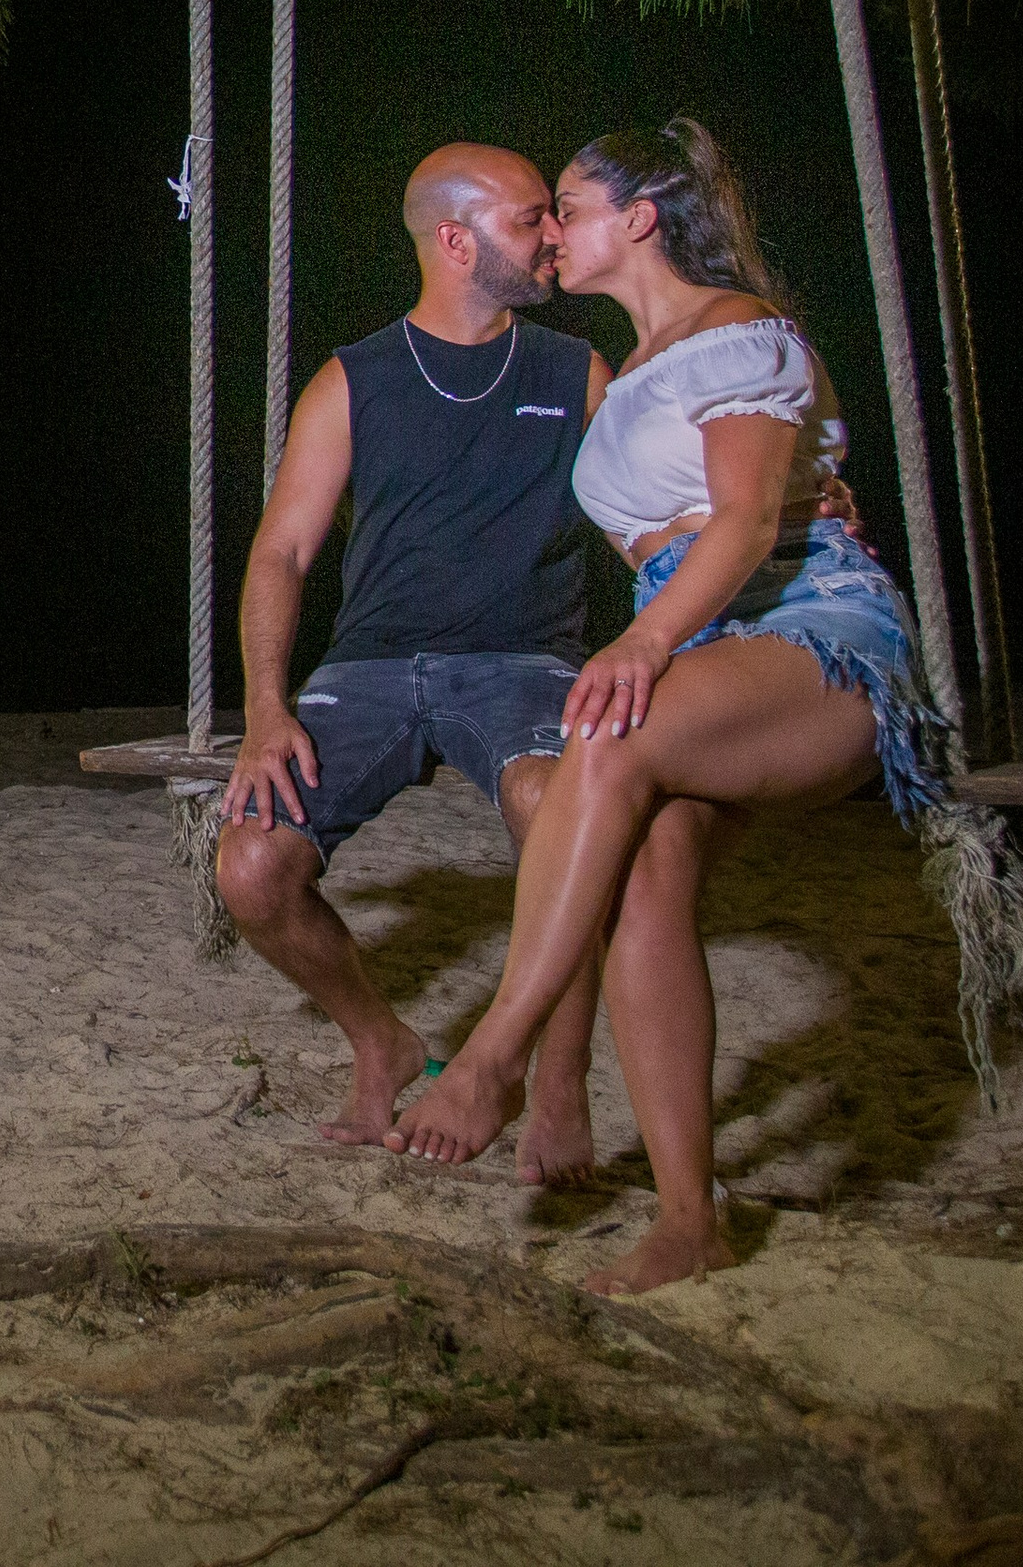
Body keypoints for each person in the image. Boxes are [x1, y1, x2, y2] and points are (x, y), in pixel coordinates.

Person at [391, 118, 1022, 1296]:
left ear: (635, 219)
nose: (549, 231)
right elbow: (672, 520)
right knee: (643, 868)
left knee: (605, 729)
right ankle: (692, 1216)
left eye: (565, 208)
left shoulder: (740, 335)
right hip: (700, 637)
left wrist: (642, 635)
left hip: (809, 630)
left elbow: (738, 523)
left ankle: (493, 1054)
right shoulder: (626, 370)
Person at [220, 141, 724, 1178]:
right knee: (252, 868)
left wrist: (782, 513)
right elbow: (280, 552)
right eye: (530, 218)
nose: (553, 237)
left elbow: (657, 513)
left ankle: (555, 1081)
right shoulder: (351, 381)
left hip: (523, 664)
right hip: (365, 669)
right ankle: (382, 1040)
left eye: (554, 215)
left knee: (560, 805)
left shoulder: (573, 371)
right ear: (454, 241)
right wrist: (267, 710)